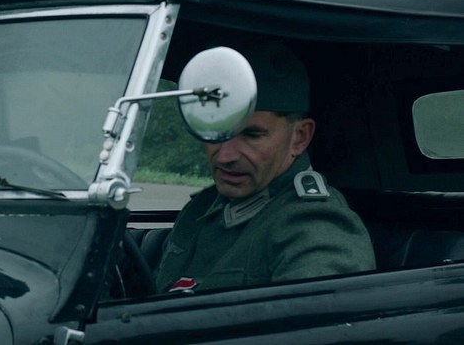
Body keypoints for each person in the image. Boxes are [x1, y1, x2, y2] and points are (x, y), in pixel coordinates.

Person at [154, 42, 375, 293]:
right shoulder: (202, 208)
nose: (225, 156)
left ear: (300, 137)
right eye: (217, 130)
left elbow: (317, 312)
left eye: (252, 135)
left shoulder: (314, 226)